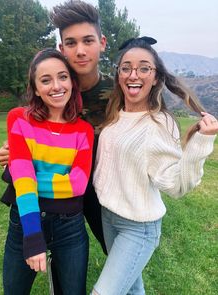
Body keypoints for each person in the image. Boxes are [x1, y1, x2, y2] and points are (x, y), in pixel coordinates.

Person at [91, 37, 218, 295]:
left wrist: (201, 143)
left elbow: (177, 186)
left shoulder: (159, 124)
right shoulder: (115, 114)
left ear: (156, 77)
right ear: (118, 75)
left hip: (138, 227)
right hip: (108, 217)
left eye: (144, 67)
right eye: (126, 67)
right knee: (131, 288)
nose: (133, 74)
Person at [3, 48, 94, 295]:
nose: (56, 86)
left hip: (70, 228)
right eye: (46, 80)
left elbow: (78, 185)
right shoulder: (19, 119)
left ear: (72, 82)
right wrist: (33, 235)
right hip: (25, 223)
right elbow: (25, 178)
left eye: (62, 77)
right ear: (35, 87)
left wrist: (20, 177)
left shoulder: (84, 131)